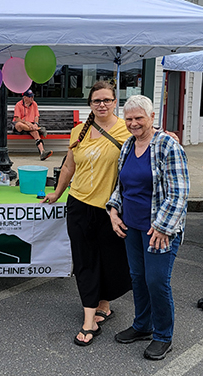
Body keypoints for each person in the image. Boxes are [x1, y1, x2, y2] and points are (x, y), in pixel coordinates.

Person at [41, 81, 132, 346]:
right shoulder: (79, 131)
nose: (102, 105)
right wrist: (58, 193)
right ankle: (89, 319)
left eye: (107, 100)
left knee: (111, 259)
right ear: (90, 104)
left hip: (111, 208)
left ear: (115, 102)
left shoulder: (126, 129)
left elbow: (149, 141)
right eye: (96, 101)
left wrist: (167, 137)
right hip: (79, 203)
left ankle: (105, 303)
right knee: (85, 259)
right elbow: (69, 166)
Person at [107, 95, 189, 360]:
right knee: (138, 279)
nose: (133, 123)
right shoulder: (128, 146)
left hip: (159, 229)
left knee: (156, 282)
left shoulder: (167, 146)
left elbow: (179, 193)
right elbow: (122, 186)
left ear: (152, 117)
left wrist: (164, 228)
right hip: (132, 226)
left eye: (138, 118)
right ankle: (143, 325)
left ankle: (163, 336)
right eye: (129, 119)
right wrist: (113, 210)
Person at [12, 89, 53, 161]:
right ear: (24, 97)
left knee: (35, 133)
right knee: (19, 124)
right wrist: (28, 123)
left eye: (32, 97)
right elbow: (17, 119)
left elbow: (36, 116)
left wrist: (36, 124)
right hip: (21, 126)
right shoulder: (18, 105)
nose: (32, 98)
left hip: (31, 126)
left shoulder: (34, 104)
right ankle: (39, 129)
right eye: (30, 97)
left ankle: (42, 152)